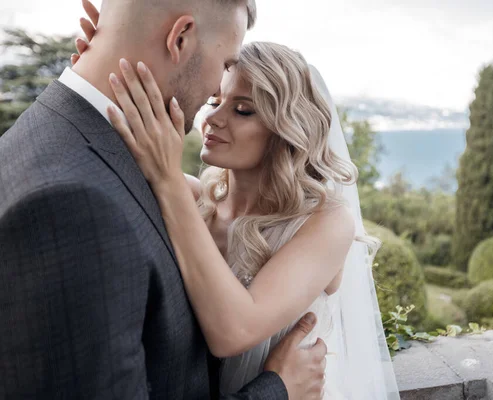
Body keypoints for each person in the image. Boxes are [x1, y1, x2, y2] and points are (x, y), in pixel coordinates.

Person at [0, 0, 326, 398]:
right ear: (180, 38)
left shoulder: (63, 141)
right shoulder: (76, 206)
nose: (215, 95)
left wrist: (108, 54)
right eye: (225, 65)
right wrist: (277, 390)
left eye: (242, 108)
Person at [74, 5, 400, 398]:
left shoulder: (326, 222)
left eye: (242, 109)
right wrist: (109, 59)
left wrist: (167, 180)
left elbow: (235, 333)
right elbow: (126, 145)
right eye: (215, 101)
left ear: (286, 130)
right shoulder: (193, 199)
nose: (213, 119)